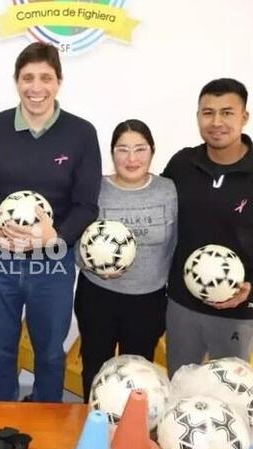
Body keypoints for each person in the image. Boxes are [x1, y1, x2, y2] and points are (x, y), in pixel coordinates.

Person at [0, 42, 101, 402]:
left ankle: (46, 427)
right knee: (0, 351)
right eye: (28, 78)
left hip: (53, 264)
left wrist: (54, 237)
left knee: (50, 354)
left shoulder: (81, 133)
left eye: (45, 77)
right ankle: (2, 428)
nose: (36, 87)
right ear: (16, 81)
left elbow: (87, 205)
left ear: (59, 81)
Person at [163, 78, 253, 376]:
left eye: (227, 112)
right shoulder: (181, 164)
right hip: (181, 306)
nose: (216, 122)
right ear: (198, 116)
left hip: (238, 312)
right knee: (179, 389)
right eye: (207, 112)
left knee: (226, 398)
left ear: (244, 117)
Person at [74, 119, 177, 401]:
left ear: (152, 152)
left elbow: (178, 241)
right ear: (112, 153)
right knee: (96, 369)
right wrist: (89, 264)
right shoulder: (95, 188)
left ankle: (129, 435)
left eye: (140, 149)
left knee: (137, 376)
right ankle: (93, 428)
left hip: (148, 301)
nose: (131, 158)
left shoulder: (168, 190)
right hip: (97, 296)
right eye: (123, 150)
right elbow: (75, 237)